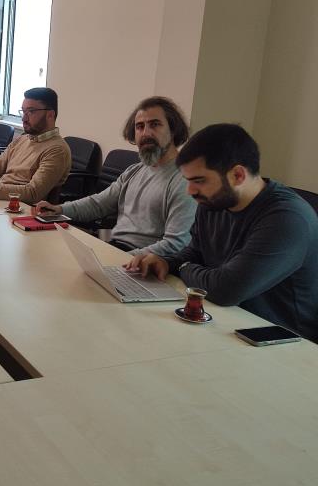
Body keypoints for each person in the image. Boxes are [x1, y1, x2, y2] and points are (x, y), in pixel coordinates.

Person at [127, 124, 318, 342]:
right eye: (188, 181)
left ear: (237, 175)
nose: (190, 191)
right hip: (228, 324)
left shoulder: (288, 219)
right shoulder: (215, 201)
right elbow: (196, 252)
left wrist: (182, 267)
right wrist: (165, 261)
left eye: (199, 180)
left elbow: (226, 290)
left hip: (281, 343)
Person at [35, 96, 196, 255]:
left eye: (155, 124)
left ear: (173, 130)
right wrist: (59, 209)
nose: (145, 133)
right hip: (115, 247)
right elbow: (99, 204)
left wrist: (125, 260)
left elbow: (176, 243)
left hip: (144, 262)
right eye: (139, 126)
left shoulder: (185, 180)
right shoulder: (134, 171)